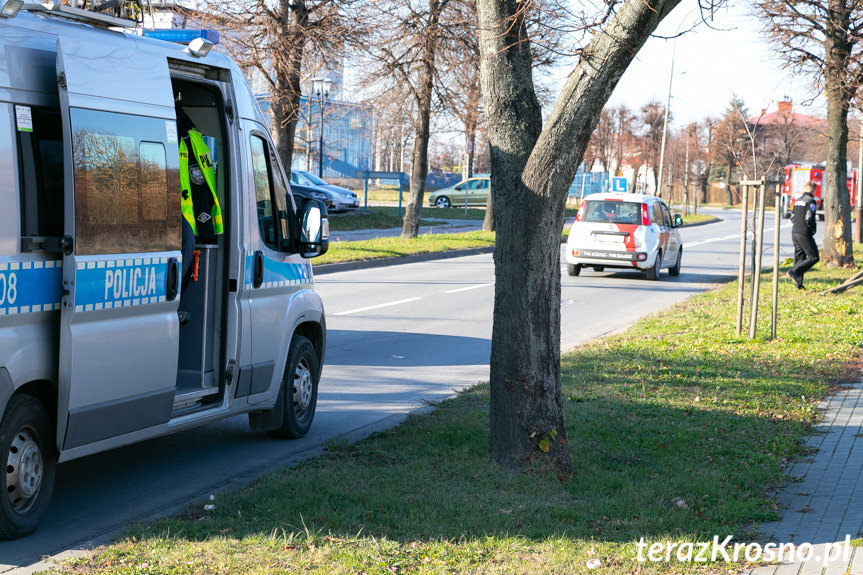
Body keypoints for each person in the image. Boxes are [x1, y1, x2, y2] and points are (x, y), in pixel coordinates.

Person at [787, 181, 819, 290]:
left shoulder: (798, 201)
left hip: (794, 231)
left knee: (800, 258)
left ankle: (798, 284)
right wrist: (812, 229)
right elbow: (809, 218)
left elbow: (792, 217)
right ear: (814, 190)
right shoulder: (811, 201)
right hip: (804, 232)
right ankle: (794, 271)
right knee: (814, 257)